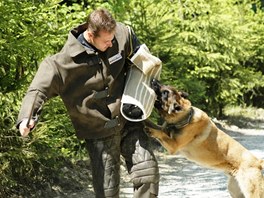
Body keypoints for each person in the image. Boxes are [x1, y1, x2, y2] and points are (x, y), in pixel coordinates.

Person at [16, 8, 159, 198]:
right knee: (107, 192)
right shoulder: (60, 64)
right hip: (98, 131)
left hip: (127, 118)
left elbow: (144, 60)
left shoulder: (122, 35)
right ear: (91, 35)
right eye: (106, 41)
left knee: (147, 173)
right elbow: (37, 90)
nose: (111, 44)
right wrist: (27, 117)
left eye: (112, 39)